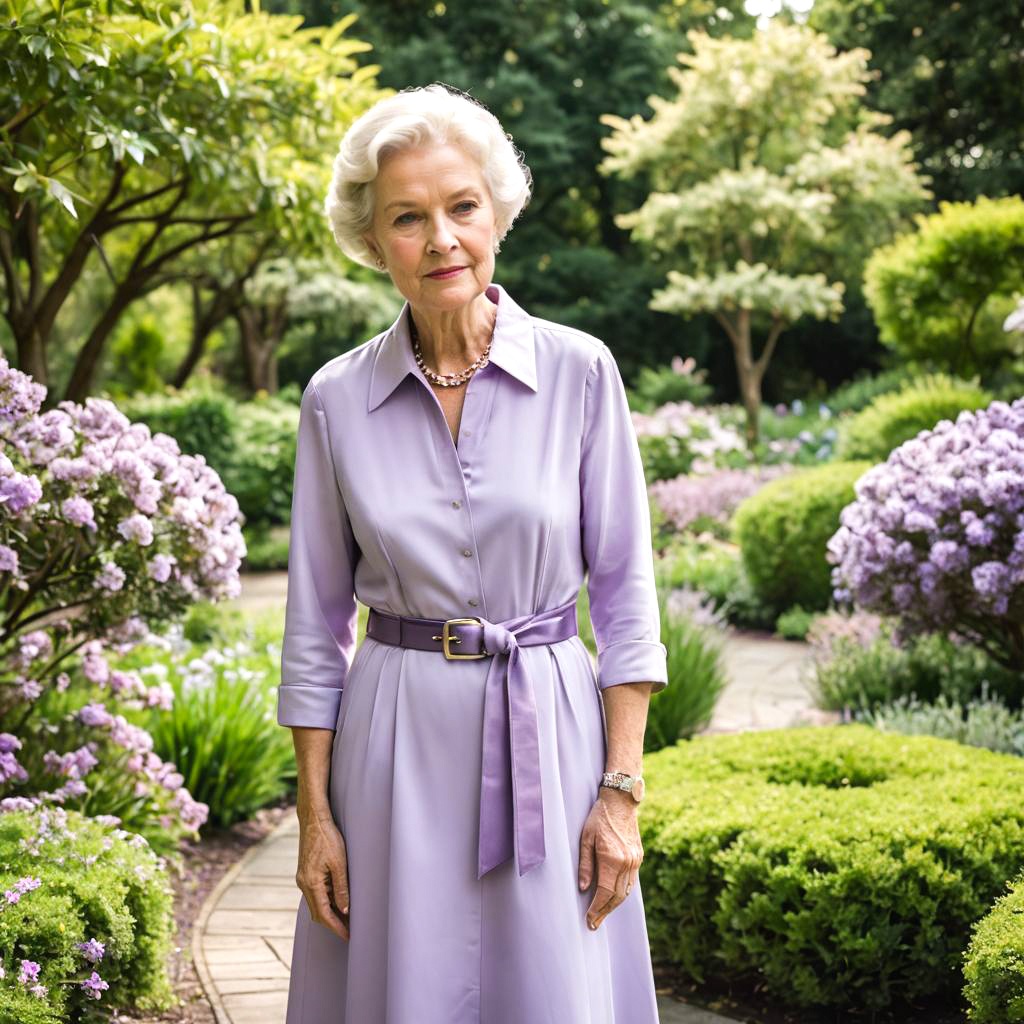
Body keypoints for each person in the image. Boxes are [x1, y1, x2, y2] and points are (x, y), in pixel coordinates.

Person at [278, 81, 669, 1024]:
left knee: (552, 990)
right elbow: (313, 623)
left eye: (461, 207)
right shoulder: (335, 399)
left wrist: (621, 792)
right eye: (408, 218)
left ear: (496, 214)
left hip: (555, 731)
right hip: (393, 749)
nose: (441, 238)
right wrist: (316, 816)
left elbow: (624, 599)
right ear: (374, 243)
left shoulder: (581, 370)